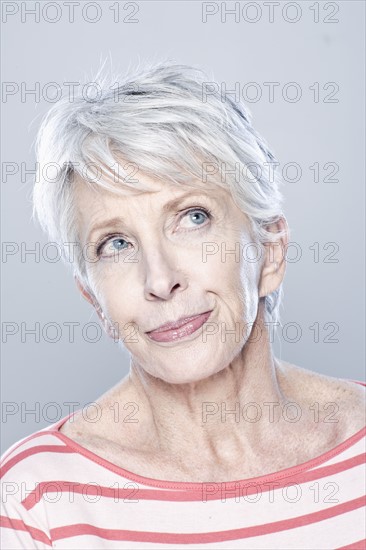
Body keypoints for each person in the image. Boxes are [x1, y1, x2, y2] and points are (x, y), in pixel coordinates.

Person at [1, 60, 365, 549]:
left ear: (270, 252)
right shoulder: (36, 499)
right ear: (95, 301)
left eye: (193, 217)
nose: (160, 279)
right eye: (116, 244)